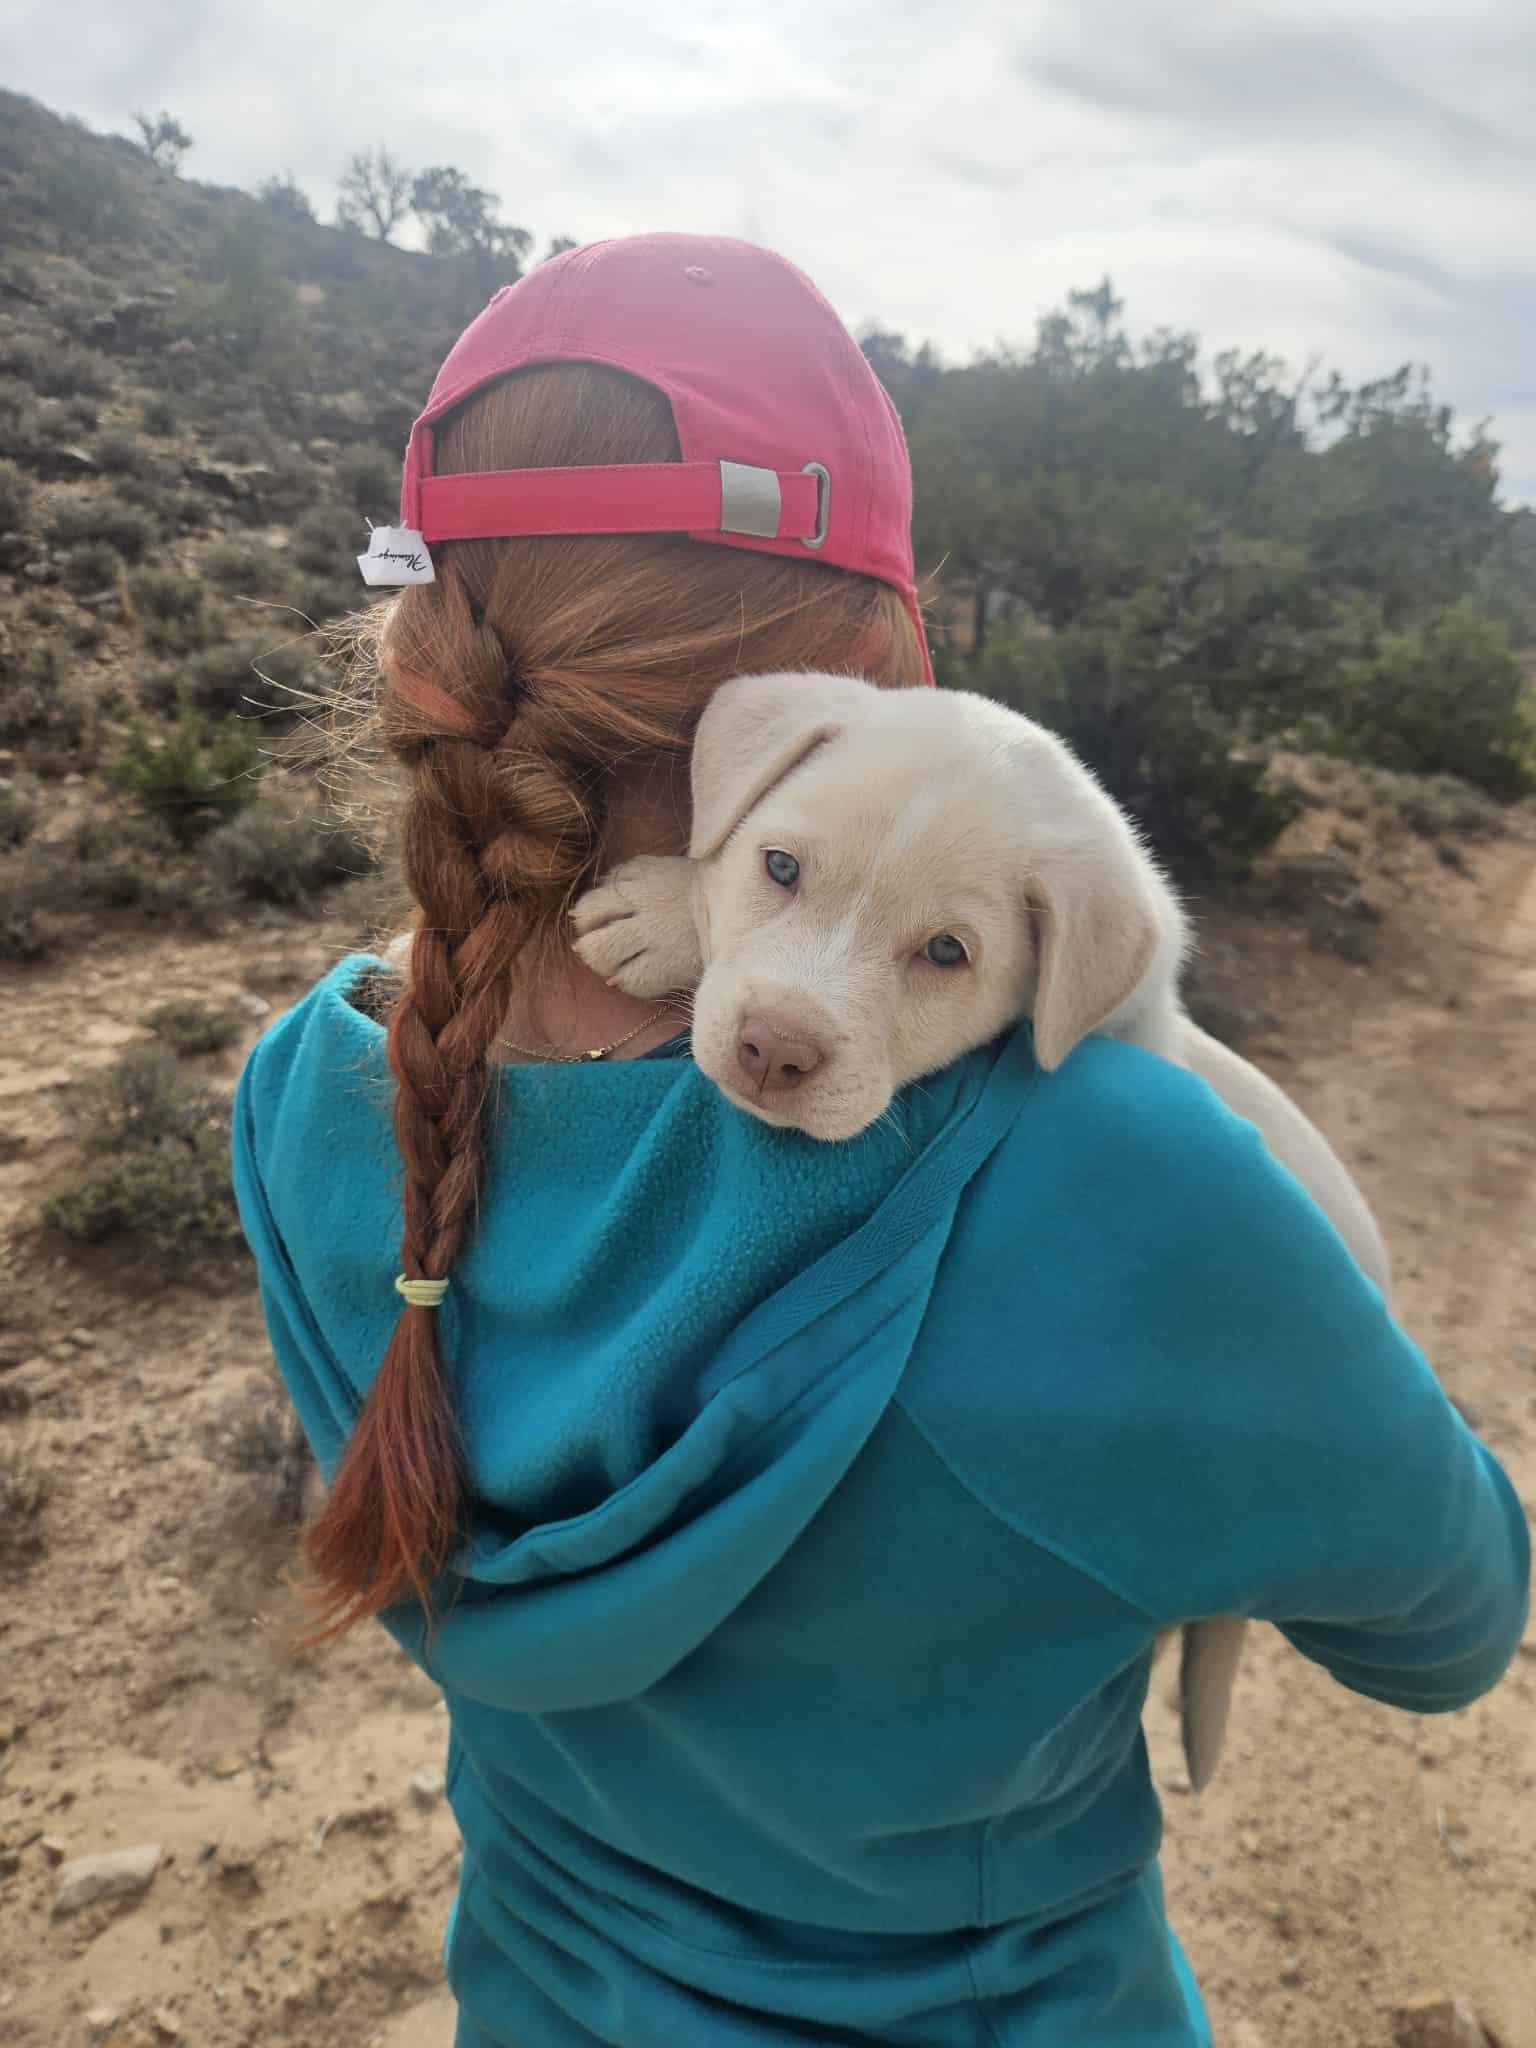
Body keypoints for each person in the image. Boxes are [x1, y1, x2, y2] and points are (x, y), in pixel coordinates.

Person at [231, 234, 1529, 2048]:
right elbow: (1448, 1627)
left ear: (437, 635)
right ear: (888, 656)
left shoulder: (312, 1088)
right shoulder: (1117, 1180)